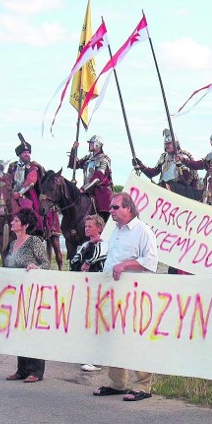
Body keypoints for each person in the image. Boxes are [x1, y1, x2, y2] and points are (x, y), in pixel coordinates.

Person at [92, 192, 158, 402]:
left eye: (115, 207)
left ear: (129, 208)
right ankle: (117, 383)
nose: (111, 211)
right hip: (113, 292)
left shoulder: (143, 231)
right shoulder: (115, 232)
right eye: (110, 207)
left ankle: (142, 386)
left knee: (136, 338)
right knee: (114, 336)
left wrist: (126, 265)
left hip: (135, 294)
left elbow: (150, 262)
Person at [4, 208, 50, 383]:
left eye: (15, 221)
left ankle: (36, 370)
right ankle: (21, 369)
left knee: (33, 330)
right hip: (15, 293)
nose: (12, 223)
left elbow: (45, 263)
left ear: (25, 225)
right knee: (19, 330)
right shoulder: (11, 244)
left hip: (32, 293)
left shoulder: (34, 242)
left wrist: (36, 268)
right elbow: (9, 267)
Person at [70, 214, 108, 372]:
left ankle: (97, 358)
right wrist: (86, 249)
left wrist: (87, 262)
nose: (87, 229)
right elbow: (73, 262)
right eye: (86, 226)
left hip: (100, 288)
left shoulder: (105, 244)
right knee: (86, 321)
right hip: (85, 288)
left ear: (99, 228)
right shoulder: (85, 245)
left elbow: (102, 258)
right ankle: (87, 354)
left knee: (98, 321)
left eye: (90, 226)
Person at [133, 129, 200, 191]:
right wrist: (141, 166)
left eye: (169, 143)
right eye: (166, 144)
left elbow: (186, 179)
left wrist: (179, 166)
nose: (167, 146)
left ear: (175, 144)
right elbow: (152, 173)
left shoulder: (183, 156)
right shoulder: (164, 157)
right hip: (164, 189)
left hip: (178, 192)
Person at [68, 135, 113, 222]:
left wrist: (83, 188)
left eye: (92, 143)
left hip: (101, 191)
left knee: (103, 209)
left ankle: (105, 223)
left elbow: (98, 177)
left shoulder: (104, 159)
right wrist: (73, 150)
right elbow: (73, 165)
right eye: (90, 143)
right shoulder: (88, 158)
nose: (90, 145)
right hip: (88, 190)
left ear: (98, 144)